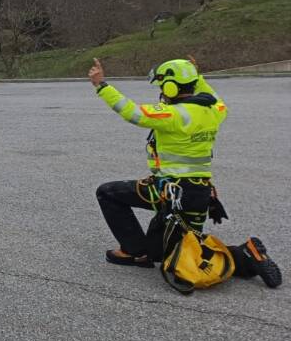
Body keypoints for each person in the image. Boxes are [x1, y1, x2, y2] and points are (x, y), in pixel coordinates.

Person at [89, 56, 281, 287]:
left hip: (171, 192)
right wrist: (196, 76)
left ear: (171, 87)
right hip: (200, 194)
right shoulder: (214, 111)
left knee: (107, 192)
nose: (161, 91)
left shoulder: (175, 114)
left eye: (162, 86)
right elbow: (216, 99)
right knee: (183, 249)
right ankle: (246, 256)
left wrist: (102, 86)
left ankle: (132, 251)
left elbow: (133, 113)